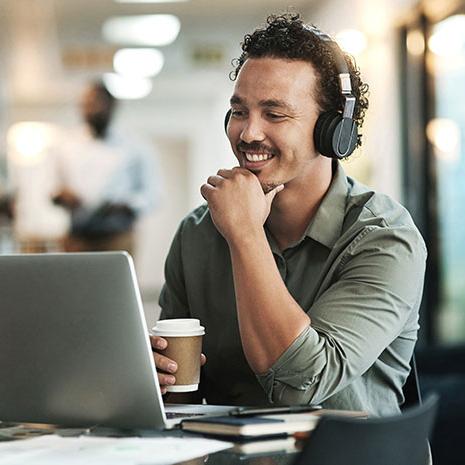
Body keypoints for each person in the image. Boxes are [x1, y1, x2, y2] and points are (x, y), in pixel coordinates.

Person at [151, 13, 426, 415]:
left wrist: (244, 236)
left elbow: (301, 382)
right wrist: (155, 378)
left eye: (274, 114)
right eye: (240, 111)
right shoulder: (197, 233)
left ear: (333, 130)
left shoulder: (385, 238)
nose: (248, 134)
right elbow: (183, 402)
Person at [52, 79, 158, 255]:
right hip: (78, 238)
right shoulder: (66, 146)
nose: (89, 109)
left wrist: (126, 204)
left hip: (117, 237)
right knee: (74, 283)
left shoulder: (135, 146)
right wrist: (62, 196)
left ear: (112, 105)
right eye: (85, 104)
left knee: (116, 282)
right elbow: (53, 189)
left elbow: (152, 194)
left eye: (95, 103)